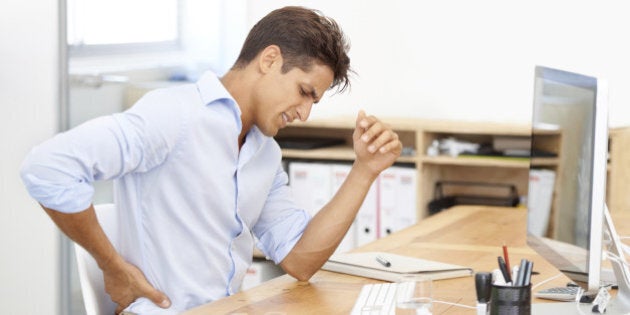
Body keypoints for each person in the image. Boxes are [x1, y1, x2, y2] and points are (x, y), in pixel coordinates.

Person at [21, 6, 402, 314]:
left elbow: (300, 260)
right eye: (304, 93)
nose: (304, 113)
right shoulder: (175, 116)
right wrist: (111, 265)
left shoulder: (264, 153)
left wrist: (365, 170)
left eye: (312, 101)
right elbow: (48, 167)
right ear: (269, 60)